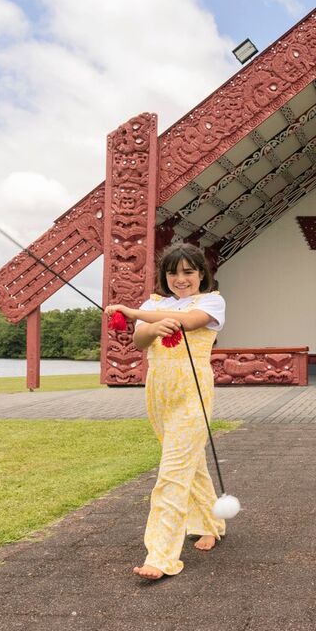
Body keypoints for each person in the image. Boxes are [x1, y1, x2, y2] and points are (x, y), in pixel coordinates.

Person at [105, 243, 226, 580]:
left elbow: (189, 321)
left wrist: (135, 314)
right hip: (159, 392)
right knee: (191, 463)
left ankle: (161, 555)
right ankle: (211, 523)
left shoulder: (212, 301)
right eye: (173, 272)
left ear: (201, 273)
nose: (180, 279)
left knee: (172, 472)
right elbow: (140, 341)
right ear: (165, 275)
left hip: (193, 392)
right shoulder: (154, 303)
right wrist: (149, 327)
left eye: (189, 271)